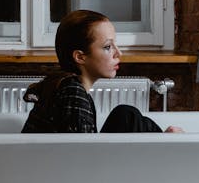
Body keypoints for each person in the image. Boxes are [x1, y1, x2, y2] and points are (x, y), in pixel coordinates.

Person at [21, 9, 185, 134]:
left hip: (64, 172)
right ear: (80, 57)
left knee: (126, 115)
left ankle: (169, 147)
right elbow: (83, 163)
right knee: (128, 116)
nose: (118, 53)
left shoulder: (70, 88)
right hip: (59, 176)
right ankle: (172, 149)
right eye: (107, 47)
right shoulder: (73, 94)